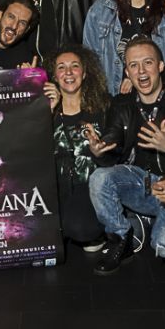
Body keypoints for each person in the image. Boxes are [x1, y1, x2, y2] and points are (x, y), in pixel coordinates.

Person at [84, 38, 165, 273]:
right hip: (142, 183)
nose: (141, 71)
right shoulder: (122, 103)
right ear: (127, 73)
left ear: (161, 66)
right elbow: (112, 153)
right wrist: (99, 151)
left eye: (148, 62)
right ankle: (121, 237)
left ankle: (154, 220)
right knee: (99, 178)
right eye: (134, 65)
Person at [44, 45, 112, 250]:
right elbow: (30, 152)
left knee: (81, 227)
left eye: (75, 66)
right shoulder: (45, 109)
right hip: (57, 187)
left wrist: (100, 152)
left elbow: (116, 158)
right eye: (61, 67)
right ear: (54, 76)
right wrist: (47, 112)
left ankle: (98, 232)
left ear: (84, 73)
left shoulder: (104, 108)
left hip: (91, 187)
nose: (68, 72)